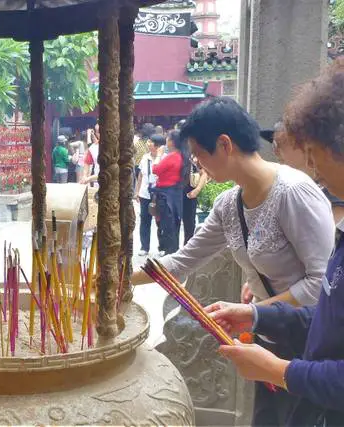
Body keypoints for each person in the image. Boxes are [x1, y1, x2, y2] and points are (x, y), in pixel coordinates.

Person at [130, 97, 334, 425]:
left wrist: (255, 312)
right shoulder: (229, 204)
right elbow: (182, 261)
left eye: (199, 155)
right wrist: (118, 278)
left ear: (225, 144)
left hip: (307, 349)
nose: (197, 165)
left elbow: (321, 284)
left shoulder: (293, 193)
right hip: (268, 341)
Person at [207, 60, 344, 426]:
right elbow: (328, 321)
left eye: (313, 155)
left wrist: (281, 371)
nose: (313, 170)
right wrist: (256, 313)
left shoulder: (294, 193)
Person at [263, 122, 344, 225]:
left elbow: (327, 237)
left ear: (304, 145)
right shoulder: (296, 188)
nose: (275, 151)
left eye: (278, 143)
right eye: (273, 145)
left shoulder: (334, 189)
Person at [151, 130, 188, 255]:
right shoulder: (181, 156)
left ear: (172, 141)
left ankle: (169, 251)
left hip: (166, 193)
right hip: (175, 193)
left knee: (167, 223)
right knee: (173, 222)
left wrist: (158, 155)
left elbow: (155, 170)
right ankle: (172, 249)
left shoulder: (172, 157)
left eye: (168, 138)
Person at [134, 133, 162, 256]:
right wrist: (137, 191)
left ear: (157, 146)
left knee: (160, 220)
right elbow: (140, 175)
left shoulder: (164, 158)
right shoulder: (145, 157)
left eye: (150, 142)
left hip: (159, 193)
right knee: (145, 220)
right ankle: (144, 247)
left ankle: (162, 246)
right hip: (145, 193)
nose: (148, 144)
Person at [182, 155, 209, 244]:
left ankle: (187, 246)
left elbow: (204, 173)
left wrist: (197, 190)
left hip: (189, 191)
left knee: (189, 222)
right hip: (174, 192)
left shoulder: (194, 155)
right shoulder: (174, 152)